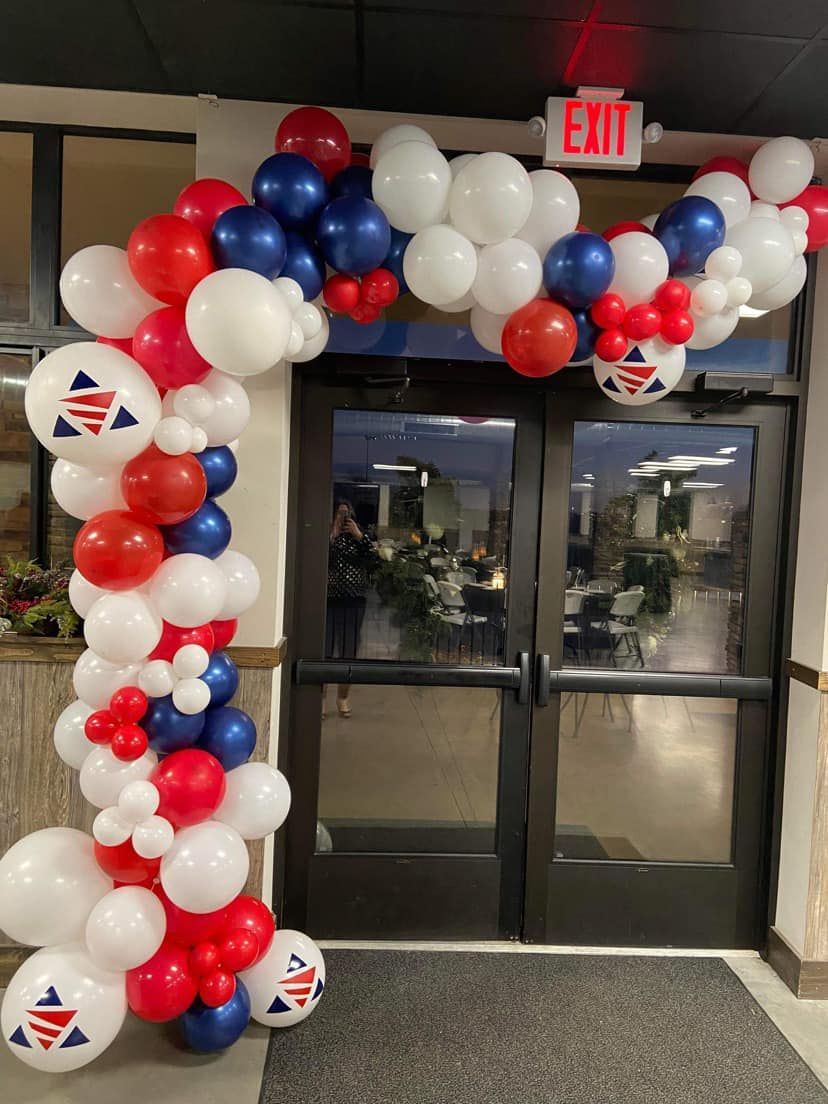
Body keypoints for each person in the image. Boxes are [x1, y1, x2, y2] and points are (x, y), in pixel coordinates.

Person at [324, 499, 375, 718]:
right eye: (340, 513)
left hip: (354, 599)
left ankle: (343, 697)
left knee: (348, 649)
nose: (344, 517)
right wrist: (332, 532)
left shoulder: (360, 537)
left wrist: (358, 535)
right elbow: (318, 557)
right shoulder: (328, 535)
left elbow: (373, 559)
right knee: (325, 649)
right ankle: (320, 700)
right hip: (330, 599)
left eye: (347, 513)